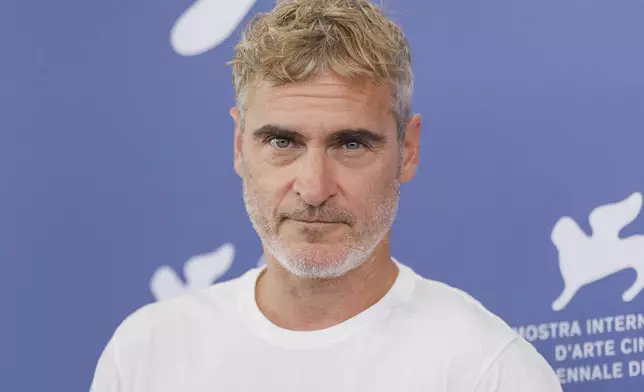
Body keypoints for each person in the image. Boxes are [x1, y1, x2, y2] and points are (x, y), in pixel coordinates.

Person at [90, 0, 563, 390]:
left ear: (409, 150)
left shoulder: (488, 372)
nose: (314, 187)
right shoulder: (145, 354)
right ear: (239, 145)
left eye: (351, 144)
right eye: (282, 142)